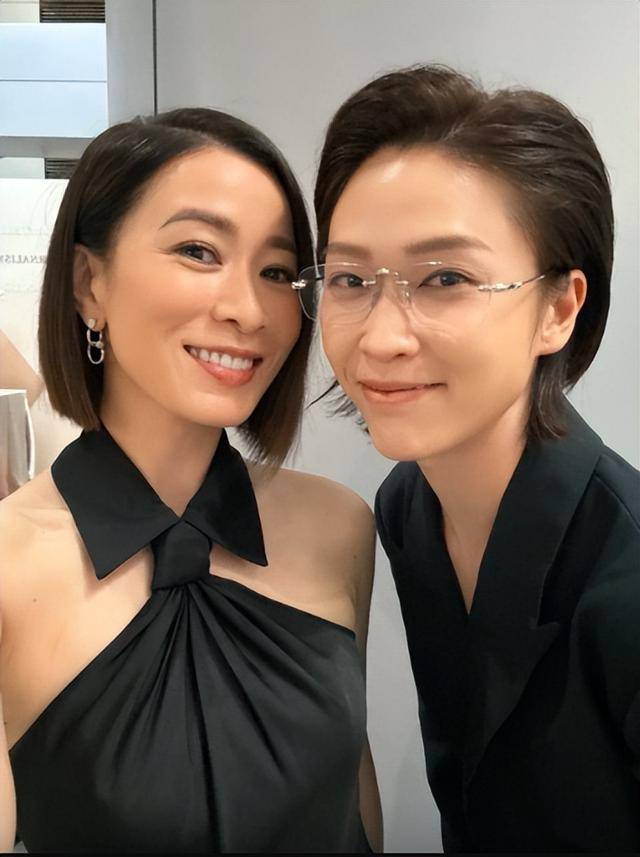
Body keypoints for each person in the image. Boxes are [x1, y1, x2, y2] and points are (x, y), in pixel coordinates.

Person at [0, 108, 382, 853]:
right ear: (88, 283)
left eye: (277, 272)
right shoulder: (10, 567)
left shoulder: (338, 527)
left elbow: (354, 809)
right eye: (199, 251)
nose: (248, 310)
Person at [298, 65, 640, 851]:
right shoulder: (408, 508)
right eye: (350, 278)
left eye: (446, 278)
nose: (382, 336)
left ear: (559, 308)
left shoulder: (625, 576)